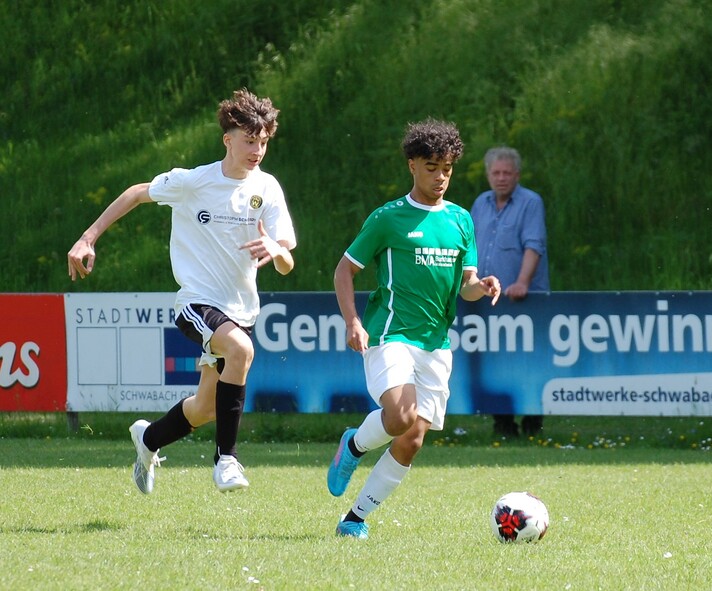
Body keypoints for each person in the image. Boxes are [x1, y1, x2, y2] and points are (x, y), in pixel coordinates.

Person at [67, 88, 296, 494]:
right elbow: (137, 193)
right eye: (249, 141)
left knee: (205, 408)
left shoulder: (268, 188)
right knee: (241, 351)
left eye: (263, 142)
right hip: (196, 303)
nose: (257, 150)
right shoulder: (194, 181)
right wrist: (88, 237)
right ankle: (227, 460)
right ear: (228, 139)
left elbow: (286, 261)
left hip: (241, 311)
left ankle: (148, 439)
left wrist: (277, 251)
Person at [327, 119, 501, 539]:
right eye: (431, 167)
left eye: (447, 169)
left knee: (413, 438)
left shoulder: (460, 220)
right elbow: (344, 270)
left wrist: (482, 286)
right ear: (412, 166)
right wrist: (352, 321)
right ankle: (354, 445)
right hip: (391, 334)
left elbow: (466, 285)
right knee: (401, 415)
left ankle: (355, 519)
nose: (440, 177)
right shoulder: (388, 218)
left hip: (436, 343)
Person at [470, 146, 549, 438]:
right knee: (495, 362)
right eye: (496, 173)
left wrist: (522, 282)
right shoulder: (480, 203)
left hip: (525, 299)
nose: (501, 178)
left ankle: (532, 424)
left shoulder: (531, 202)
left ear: (517, 175)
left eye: (507, 173)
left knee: (531, 361)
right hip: (489, 299)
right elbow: (468, 246)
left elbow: (534, 245)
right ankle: (502, 424)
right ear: (488, 175)